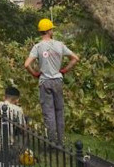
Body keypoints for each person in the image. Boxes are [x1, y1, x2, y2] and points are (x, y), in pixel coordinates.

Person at [24, 17, 79, 146]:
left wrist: (35, 74)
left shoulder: (37, 47)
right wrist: (64, 71)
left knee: (49, 113)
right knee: (59, 111)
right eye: (52, 29)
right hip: (58, 81)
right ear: (49, 31)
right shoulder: (59, 45)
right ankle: (61, 142)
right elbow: (75, 58)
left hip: (45, 82)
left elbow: (27, 64)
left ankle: (53, 143)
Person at [0, 85, 26, 160]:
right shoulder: (18, 110)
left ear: (5, 96)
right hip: (3, 149)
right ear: (17, 99)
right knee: (22, 137)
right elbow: (23, 129)